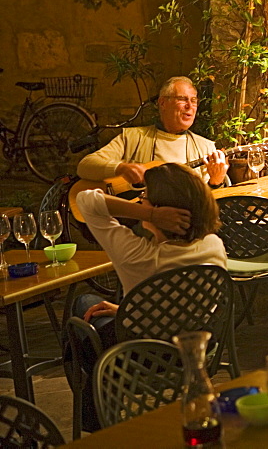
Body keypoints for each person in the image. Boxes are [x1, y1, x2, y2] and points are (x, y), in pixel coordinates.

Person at [70, 163, 227, 431]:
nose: (139, 201)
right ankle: (96, 394)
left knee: (81, 315)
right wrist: (126, 310)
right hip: (195, 350)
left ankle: (95, 413)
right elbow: (179, 303)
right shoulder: (213, 245)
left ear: (160, 208)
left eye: (143, 198)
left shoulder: (137, 256)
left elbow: (86, 201)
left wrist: (149, 213)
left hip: (139, 358)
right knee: (91, 307)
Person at [77, 76, 229, 188]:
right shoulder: (132, 138)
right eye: (182, 99)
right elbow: (85, 166)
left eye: (194, 100)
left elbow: (210, 207)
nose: (190, 106)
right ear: (162, 103)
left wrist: (216, 182)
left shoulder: (206, 148)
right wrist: (121, 168)